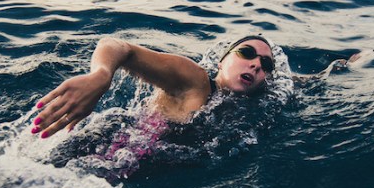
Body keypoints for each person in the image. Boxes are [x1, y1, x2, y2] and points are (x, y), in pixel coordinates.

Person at [32, 35, 356, 140]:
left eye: (266, 65)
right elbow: (119, 47)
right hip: (109, 153)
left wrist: (344, 66)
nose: (257, 65)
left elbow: (299, 81)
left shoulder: (254, 99)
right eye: (246, 54)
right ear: (222, 61)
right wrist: (101, 76)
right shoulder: (195, 81)